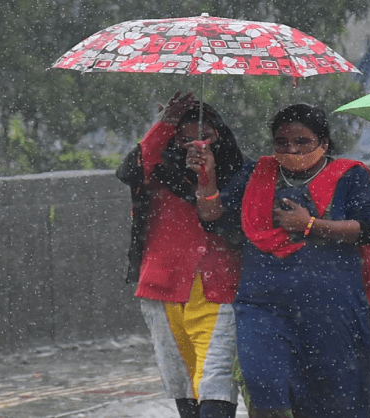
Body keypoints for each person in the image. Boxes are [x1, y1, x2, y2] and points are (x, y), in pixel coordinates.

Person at [187, 104, 370, 418]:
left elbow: (369, 228)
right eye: (282, 142)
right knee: (263, 384)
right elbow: (213, 217)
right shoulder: (258, 173)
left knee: (333, 399)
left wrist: (311, 225)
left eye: (302, 141)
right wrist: (207, 178)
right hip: (263, 304)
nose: (292, 149)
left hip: (331, 306)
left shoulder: (349, 176)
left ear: (324, 142)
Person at [115, 92, 245, 418]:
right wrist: (164, 124)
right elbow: (129, 169)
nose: (195, 146)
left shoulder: (239, 174)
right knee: (184, 387)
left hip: (219, 288)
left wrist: (208, 174)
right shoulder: (156, 171)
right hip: (163, 289)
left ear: (221, 136)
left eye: (205, 137)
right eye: (183, 139)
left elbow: (226, 219)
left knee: (215, 384)